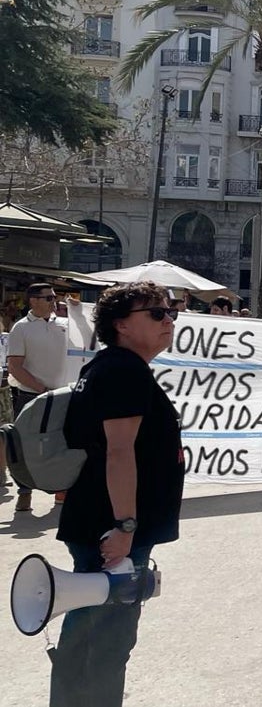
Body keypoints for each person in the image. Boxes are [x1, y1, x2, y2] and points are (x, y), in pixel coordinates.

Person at [51, 282, 184, 707]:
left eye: (171, 313)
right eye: (157, 314)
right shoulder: (124, 370)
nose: (169, 321)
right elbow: (119, 451)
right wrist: (125, 525)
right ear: (122, 325)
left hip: (99, 521)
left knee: (90, 630)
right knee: (106, 637)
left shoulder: (109, 366)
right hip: (111, 527)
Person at [6, 282, 69, 512]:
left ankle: (62, 488)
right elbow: (15, 366)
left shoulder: (65, 324)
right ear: (33, 301)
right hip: (30, 394)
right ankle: (24, 490)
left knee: (64, 442)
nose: (54, 302)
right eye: (49, 298)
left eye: (54, 298)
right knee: (24, 445)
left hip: (62, 394)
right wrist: (40, 389)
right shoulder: (20, 328)